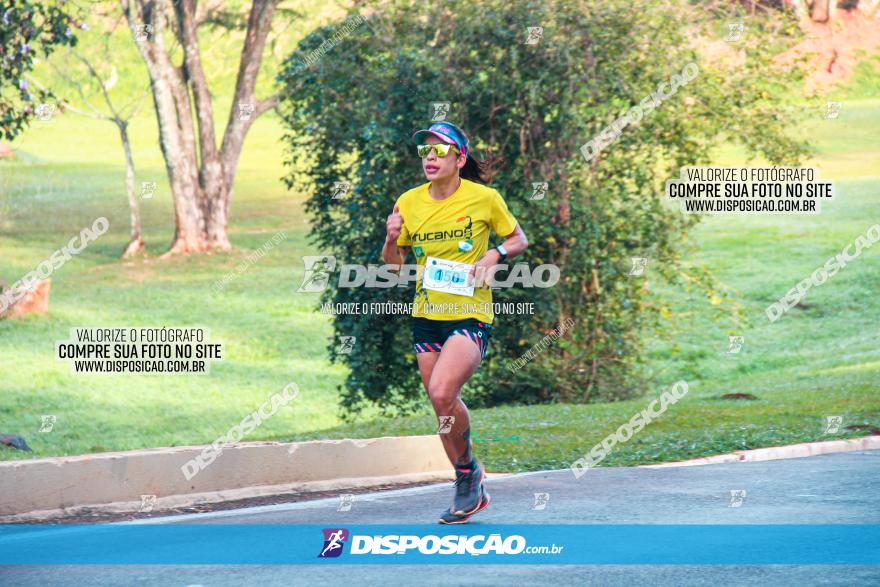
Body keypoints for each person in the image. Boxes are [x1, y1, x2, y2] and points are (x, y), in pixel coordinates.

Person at [382, 121, 528, 523]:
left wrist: (494, 254)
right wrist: (392, 238)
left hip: (470, 313)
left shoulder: (484, 198)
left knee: (444, 389)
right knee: (439, 400)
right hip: (427, 315)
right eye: (425, 152)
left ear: (459, 158)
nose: (430, 157)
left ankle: (467, 475)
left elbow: (519, 239)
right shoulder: (408, 202)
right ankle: (467, 476)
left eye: (440, 151)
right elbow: (394, 271)